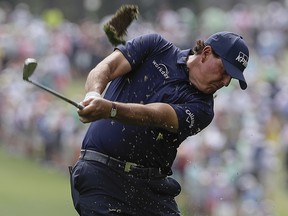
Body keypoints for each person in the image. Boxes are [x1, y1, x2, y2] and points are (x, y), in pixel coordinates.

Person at [69, 31, 249, 216]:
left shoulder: (203, 109)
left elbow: (157, 115)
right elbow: (108, 66)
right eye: (225, 70)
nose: (226, 82)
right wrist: (93, 94)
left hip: (150, 190)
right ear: (206, 53)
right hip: (100, 175)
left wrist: (111, 109)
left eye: (231, 77)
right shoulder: (154, 46)